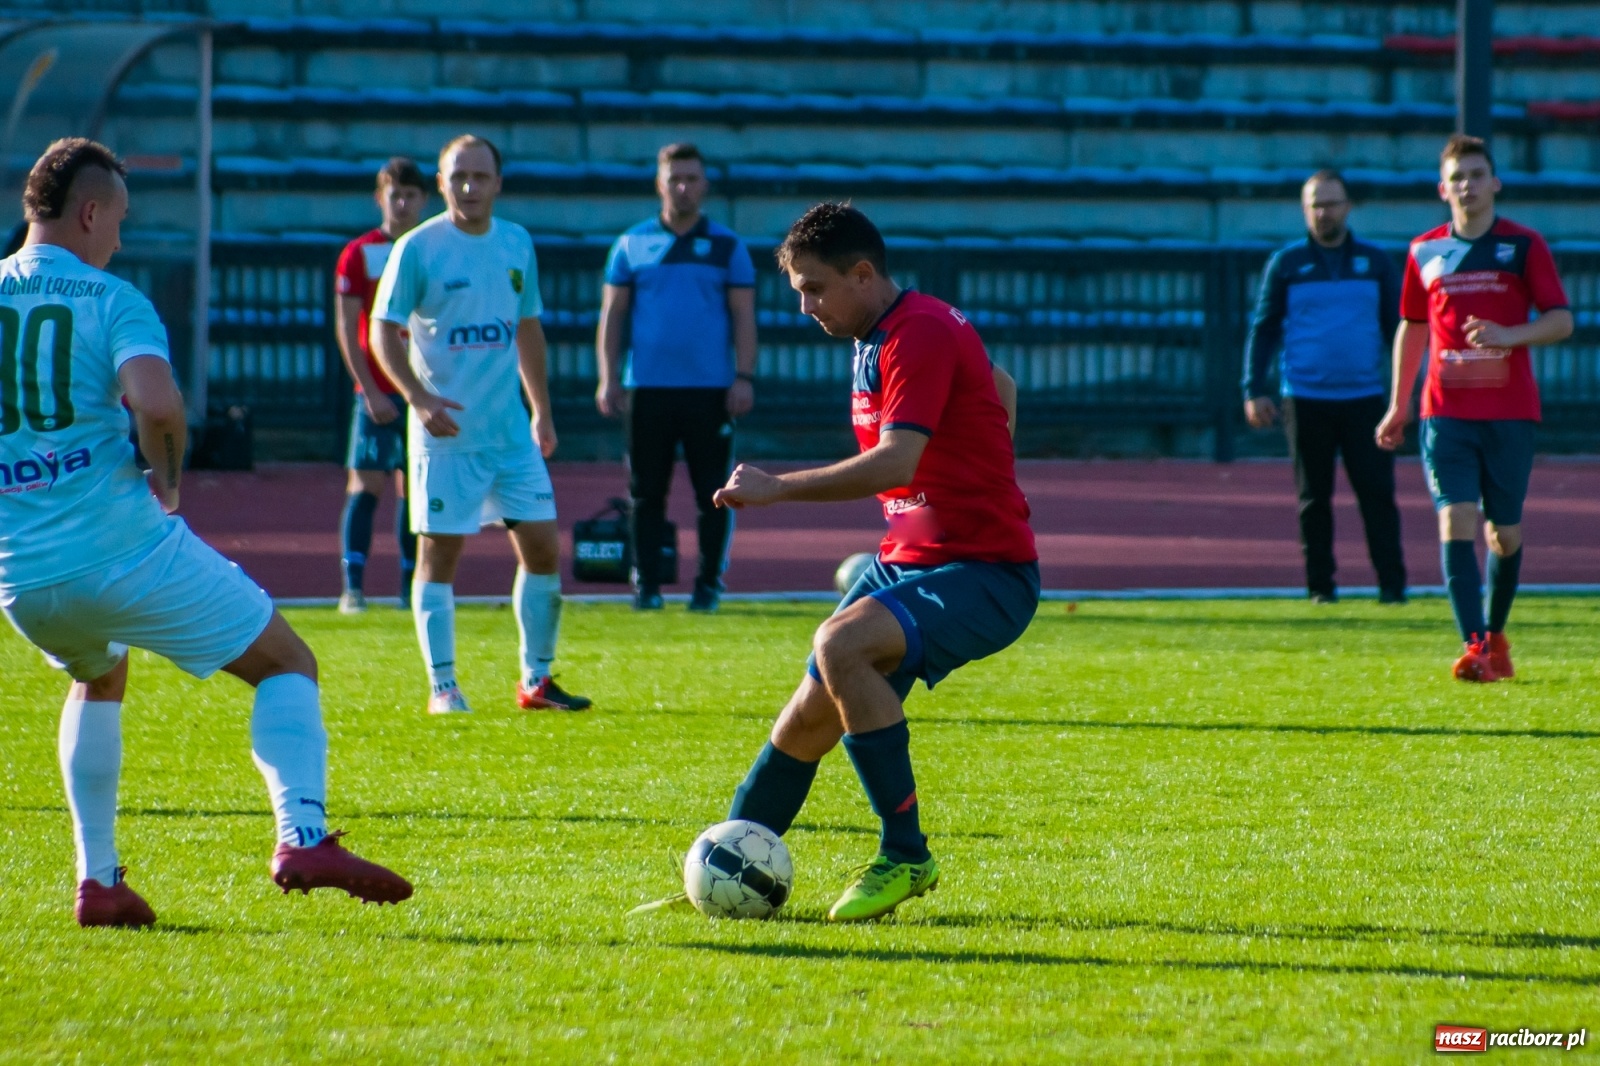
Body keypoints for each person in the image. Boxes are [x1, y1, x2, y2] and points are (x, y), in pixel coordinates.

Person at [0, 138, 412, 927]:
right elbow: (156, 405)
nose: (119, 236)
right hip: (121, 549)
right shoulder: (111, 298)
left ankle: (99, 881)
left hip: (22, 576)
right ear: (89, 212)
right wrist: (170, 476)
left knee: (98, 673)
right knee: (288, 662)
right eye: (117, 218)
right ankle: (303, 835)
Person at [634, 203, 1037, 922]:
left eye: (814, 289)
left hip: (984, 571)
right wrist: (979, 460)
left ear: (862, 274)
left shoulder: (916, 333)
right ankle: (727, 859)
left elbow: (896, 460)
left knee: (838, 644)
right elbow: (997, 383)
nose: (804, 306)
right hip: (912, 557)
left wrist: (775, 490)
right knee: (806, 717)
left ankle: (906, 854)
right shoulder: (884, 331)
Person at [370, 134, 591, 715]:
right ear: (441, 184)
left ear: (498, 182)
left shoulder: (516, 243)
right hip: (445, 435)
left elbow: (528, 330)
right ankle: (443, 687)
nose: (469, 187)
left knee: (543, 549)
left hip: (510, 434)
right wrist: (418, 398)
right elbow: (381, 329)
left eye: (480, 176)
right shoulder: (418, 248)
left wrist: (541, 408)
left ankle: (536, 681)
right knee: (439, 557)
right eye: (458, 177)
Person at [1376, 134, 1573, 681]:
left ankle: (1496, 633)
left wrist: (1509, 334)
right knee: (1455, 517)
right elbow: (1413, 328)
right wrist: (1398, 404)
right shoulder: (1424, 251)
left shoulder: (1524, 246)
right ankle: (1474, 647)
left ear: (1495, 183)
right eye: (1457, 176)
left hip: (1510, 412)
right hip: (1446, 412)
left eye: (1477, 174)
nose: (1467, 184)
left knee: (1502, 534)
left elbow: (1561, 320)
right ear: (1443, 188)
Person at [595, 143, 758, 612]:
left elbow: (744, 316)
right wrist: (609, 377)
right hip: (647, 387)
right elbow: (613, 315)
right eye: (675, 179)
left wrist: (743, 376)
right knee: (646, 493)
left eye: (691, 178)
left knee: (714, 494)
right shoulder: (630, 244)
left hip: (710, 390)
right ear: (659, 184)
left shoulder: (728, 247)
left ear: (704, 185)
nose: (683, 187)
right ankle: (646, 585)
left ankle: (707, 586)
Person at [1242, 169, 1408, 605]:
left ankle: (1392, 587)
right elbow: (1264, 329)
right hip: (1305, 398)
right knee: (1313, 499)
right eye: (1314, 204)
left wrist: (1406, 393)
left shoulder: (1375, 262)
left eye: (1331, 203)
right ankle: (1321, 589)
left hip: (1365, 398)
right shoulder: (1287, 263)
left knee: (1377, 496)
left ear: (1348, 207)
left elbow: (1399, 331)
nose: (1323, 212)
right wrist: (1252, 388)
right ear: (1304, 209)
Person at [334, 157, 427, 614]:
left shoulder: (433, 249)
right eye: (396, 195)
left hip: (422, 391)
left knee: (418, 491)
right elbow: (347, 327)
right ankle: (353, 587)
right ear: (381, 198)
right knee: (366, 484)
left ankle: (411, 589)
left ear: (424, 200)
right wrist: (369, 388)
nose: (404, 203)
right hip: (377, 391)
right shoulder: (360, 253)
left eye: (412, 195)